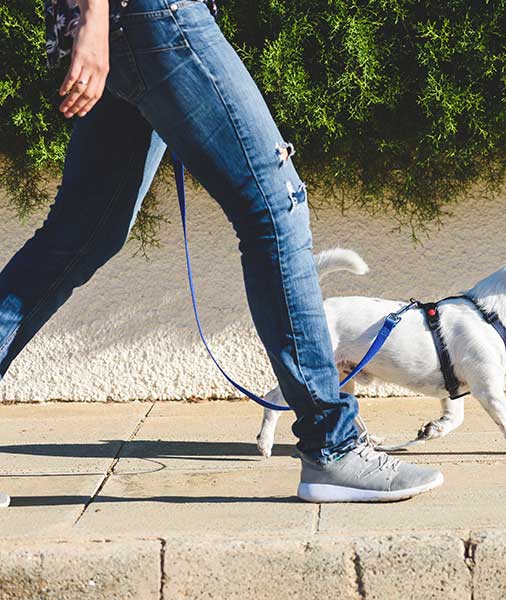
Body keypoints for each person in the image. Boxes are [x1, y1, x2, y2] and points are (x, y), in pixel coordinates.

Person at [0, 0, 444, 507]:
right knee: (276, 209)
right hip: (152, 14)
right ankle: (334, 446)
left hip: (132, 22)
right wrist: (96, 18)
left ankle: (333, 445)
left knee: (81, 236)